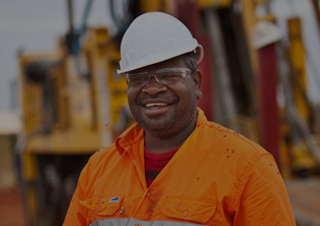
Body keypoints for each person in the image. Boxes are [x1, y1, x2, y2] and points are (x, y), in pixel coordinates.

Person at [63, 12, 295, 226]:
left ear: (195, 83)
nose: (152, 89)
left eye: (169, 75)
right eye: (138, 78)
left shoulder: (248, 168)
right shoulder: (97, 169)